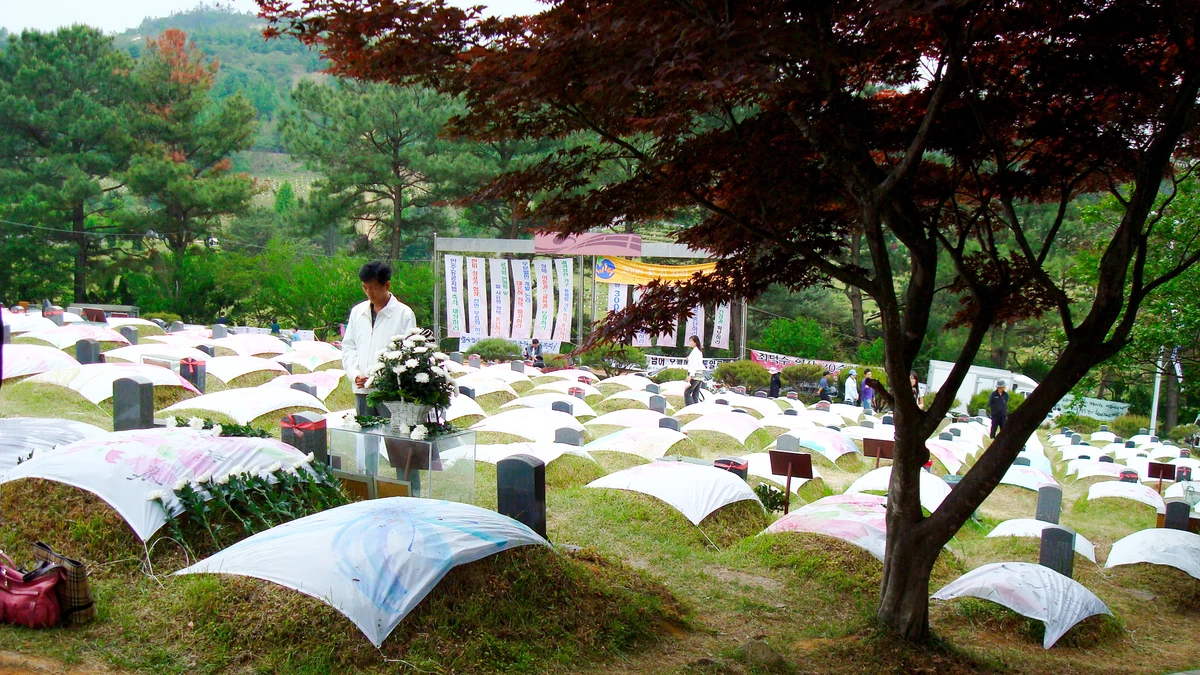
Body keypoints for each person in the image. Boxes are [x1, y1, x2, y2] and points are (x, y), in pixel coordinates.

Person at [342, 260, 417, 414]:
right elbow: (349, 346)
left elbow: (409, 355)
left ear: (387, 285)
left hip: (390, 393)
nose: (369, 293)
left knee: (392, 436)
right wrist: (355, 374)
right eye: (365, 287)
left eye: (374, 288)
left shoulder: (404, 314)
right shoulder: (358, 312)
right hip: (362, 390)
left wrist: (381, 378)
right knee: (365, 436)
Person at [684, 335, 704, 406]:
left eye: (691, 341)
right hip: (700, 374)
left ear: (695, 342)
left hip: (695, 375)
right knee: (695, 394)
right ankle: (696, 408)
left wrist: (690, 375)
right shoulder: (698, 351)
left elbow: (694, 365)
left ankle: (690, 408)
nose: (690, 343)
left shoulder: (695, 352)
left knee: (687, 393)